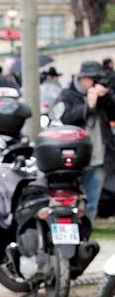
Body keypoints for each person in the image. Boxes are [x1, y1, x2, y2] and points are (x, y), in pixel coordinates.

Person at [57, 60, 115, 222]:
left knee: (91, 202)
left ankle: (85, 234)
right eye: (91, 79)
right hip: (73, 158)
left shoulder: (102, 97)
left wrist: (105, 97)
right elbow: (65, 118)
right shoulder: (68, 95)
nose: (93, 83)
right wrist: (88, 106)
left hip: (98, 157)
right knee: (70, 200)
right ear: (82, 78)